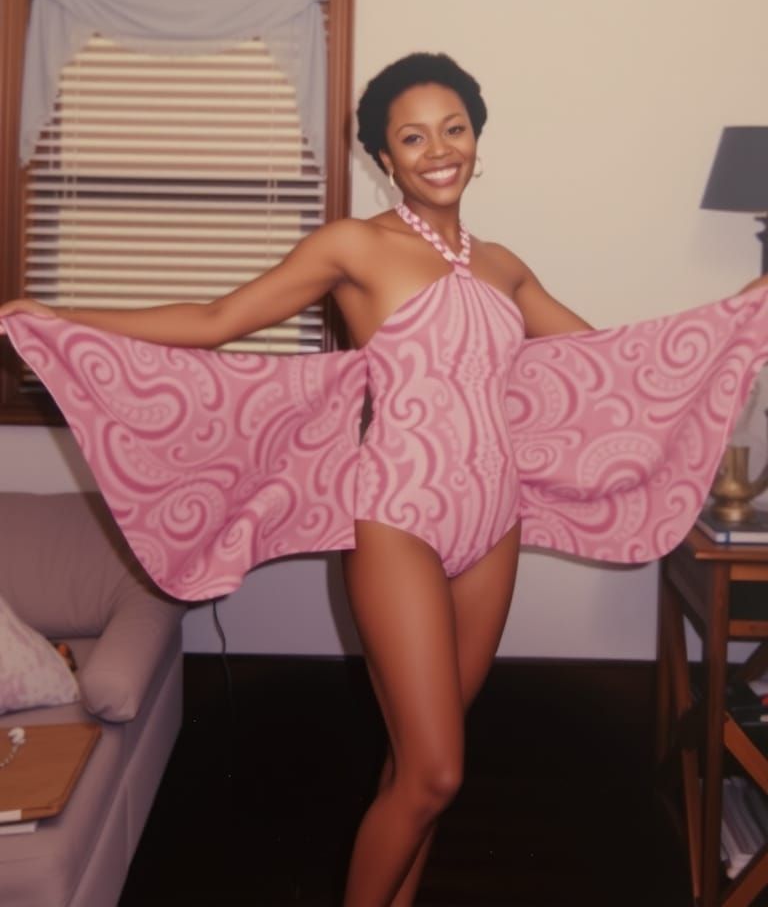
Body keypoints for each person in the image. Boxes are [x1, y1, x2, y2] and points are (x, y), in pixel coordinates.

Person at [2, 52, 768, 907]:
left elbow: (613, 366)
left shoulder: (505, 266)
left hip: (494, 523)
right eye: (413, 136)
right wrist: (63, 316)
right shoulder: (355, 245)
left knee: (415, 766)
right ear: (386, 156)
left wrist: (741, 316)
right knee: (438, 772)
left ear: (478, 141)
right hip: (399, 518)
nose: (438, 148)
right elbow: (217, 319)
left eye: (454, 128)